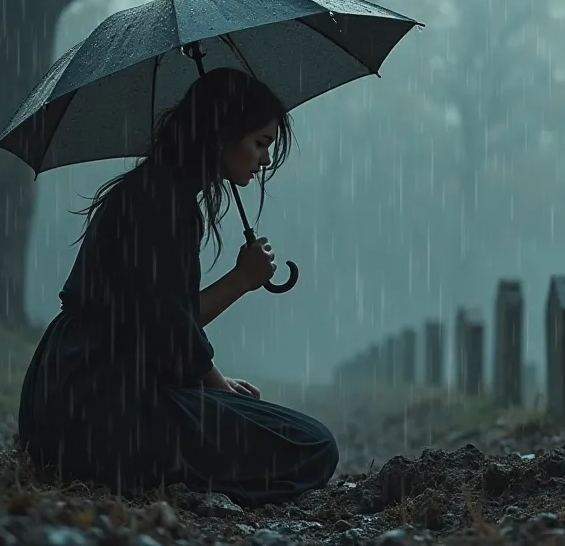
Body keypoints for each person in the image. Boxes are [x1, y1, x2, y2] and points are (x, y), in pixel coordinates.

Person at [17, 67, 339, 507]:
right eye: (260, 143)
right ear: (221, 135)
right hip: (100, 409)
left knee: (284, 433)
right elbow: (172, 335)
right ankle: (180, 483)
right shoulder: (161, 204)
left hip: (71, 398)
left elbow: (165, 321)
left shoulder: (158, 193)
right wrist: (221, 391)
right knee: (314, 445)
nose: (265, 160)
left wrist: (217, 380)